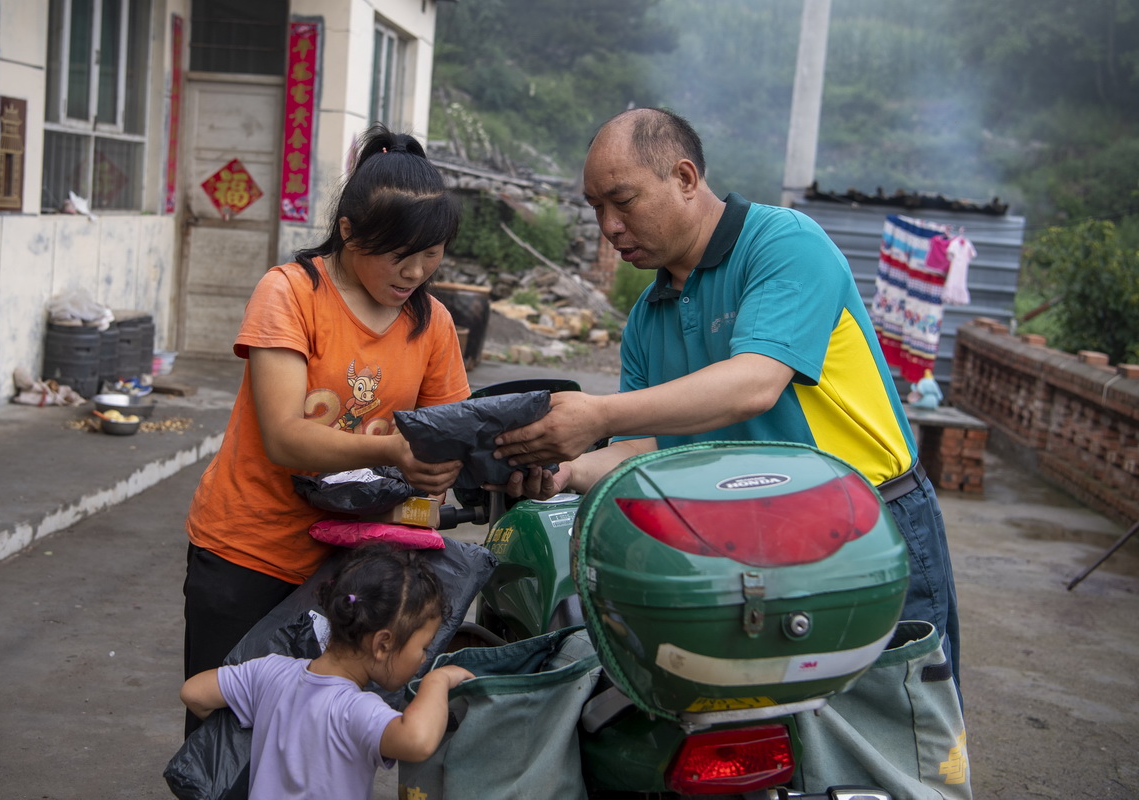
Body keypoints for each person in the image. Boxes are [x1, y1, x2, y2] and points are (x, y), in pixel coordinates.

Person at [493, 107, 960, 686]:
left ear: (685, 179)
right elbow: (647, 449)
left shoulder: (782, 243)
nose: (608, 227)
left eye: (623, 201)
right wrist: (567, 468)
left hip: (868, 526)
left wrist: (597, 413)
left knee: (900, 730)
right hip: (745, 543)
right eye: (596, 209)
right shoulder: (647, 316)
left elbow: (754, 384)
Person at [182, 124, 470, 734]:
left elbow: (453, 432)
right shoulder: (290, 293)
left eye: (433, 252)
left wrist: (445, 469)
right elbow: (286, 437)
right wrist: (397, 448)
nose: (416, 271)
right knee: (229, 745)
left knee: (325, 741)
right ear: (349, 231)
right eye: (400, 253)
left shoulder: (432, 323)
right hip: (249, 552)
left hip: (355, 572)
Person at [181, 545, 474, 800]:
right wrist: (438, 679)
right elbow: (418, 742)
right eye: (422, 648)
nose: (423, 659)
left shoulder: (270, 671)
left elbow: (194, 693)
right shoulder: (356, 710)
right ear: (383, 644)